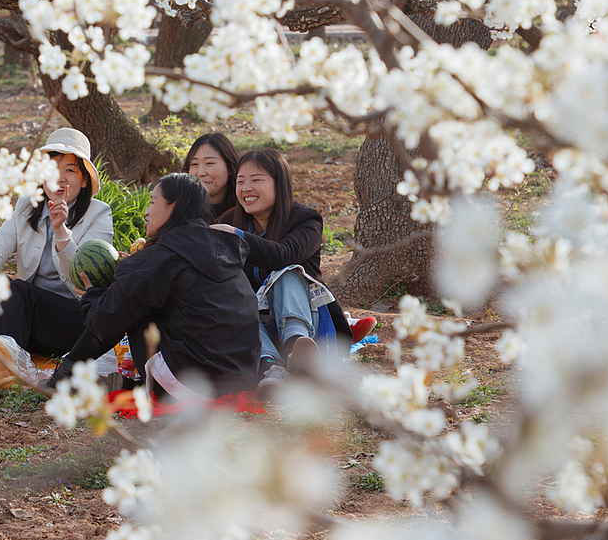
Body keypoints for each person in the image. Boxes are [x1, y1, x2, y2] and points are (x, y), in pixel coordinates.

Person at [54, 173, 260, 399]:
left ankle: (67, 372)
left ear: (174, 207)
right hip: (242, 380)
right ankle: (121, 383)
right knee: (139, 297)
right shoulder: (222, 248)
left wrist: (93, 295)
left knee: (132, 306)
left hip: (191, 386)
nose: (146, 211)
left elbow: (105, 321)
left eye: (153, 202)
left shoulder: (158, 259)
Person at [211, 148, 371, 395]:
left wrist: (239, 238)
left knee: (287, 272)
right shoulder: (231, 222)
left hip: (307, 326)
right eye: (240, 182)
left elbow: (282, 255)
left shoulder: (306, 220)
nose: (245, 189)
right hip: (256, 330)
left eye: (256, 180)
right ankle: (271, 368)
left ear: (280, 183)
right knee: (231, 292)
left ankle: (299, 351)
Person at [0, 128, 113, 356]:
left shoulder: (99, 214)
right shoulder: (26, 205)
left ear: (83, 181)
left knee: (19, 291)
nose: (59, 178)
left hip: (74, 320)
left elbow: (84, 282)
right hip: (25, 315)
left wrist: (61, 230)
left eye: (70, 170)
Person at [182, 133, 240, 219]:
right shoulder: (179, 211)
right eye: (194, 164)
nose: (200, 173)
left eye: (209, 163)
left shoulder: (245, 211)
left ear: (230, 167)